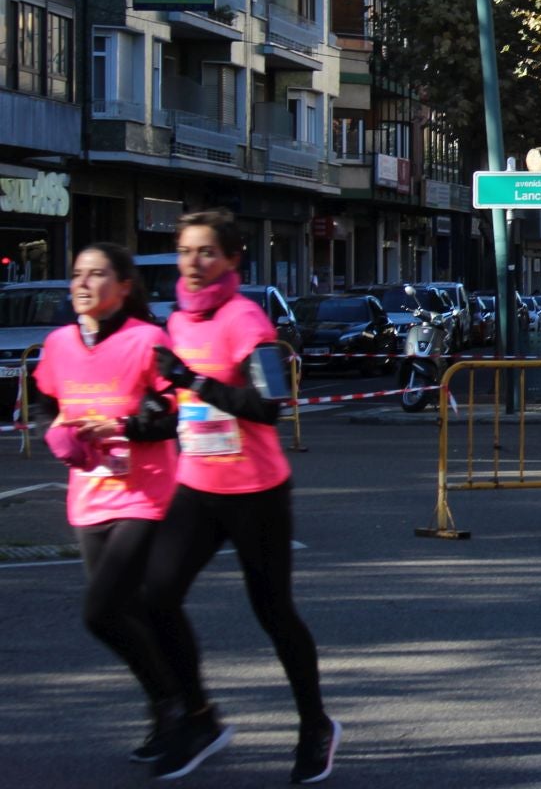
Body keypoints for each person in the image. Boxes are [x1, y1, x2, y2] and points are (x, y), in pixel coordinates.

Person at [144, 209, 337, 782]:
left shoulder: (247, 321)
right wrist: (150, 412)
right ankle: (199, 717)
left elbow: (267, 408)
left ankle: (315, 725)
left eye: (207, 252)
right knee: (156, 597)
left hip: (256, 491)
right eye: (185, 252)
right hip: (196, 485)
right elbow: (177, 407)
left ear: (233, 261)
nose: (194, 263)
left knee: (273, 613)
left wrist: (192, 380)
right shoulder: (177, 322)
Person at [35, 243, 181, 764]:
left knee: (100, 613)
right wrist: (60, 435)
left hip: (146, 492)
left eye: (97, 275)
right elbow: (52, 404)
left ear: (123, 287)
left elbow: (172, 416)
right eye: (77, 274)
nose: (82, 283)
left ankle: (173, 707)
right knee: (129, 611)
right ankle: (177, 706)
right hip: (89, 495)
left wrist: (121, 426)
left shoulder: (148, 341)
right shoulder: (57, 345)